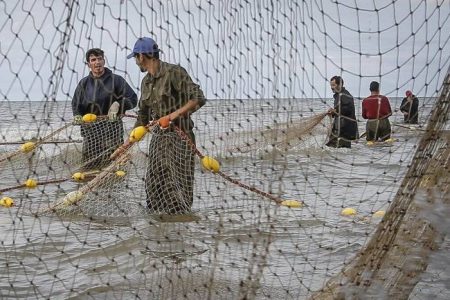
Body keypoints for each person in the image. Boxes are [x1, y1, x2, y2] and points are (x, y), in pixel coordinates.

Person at [126, 37, 206, 214]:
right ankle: (159, 231)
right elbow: (143, 116)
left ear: (141, 56)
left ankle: (180, 227)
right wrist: (127, 144)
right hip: (159, 140)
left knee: (178, 187)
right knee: (154, 185)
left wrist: (171, 116)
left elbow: (198, 98)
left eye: (135, 57)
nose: (136, 61)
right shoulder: (146, 82)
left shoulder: (174, 72)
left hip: (181, 138)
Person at [72, 48, 137, 170]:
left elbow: (133, 99)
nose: (97, 62)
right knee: (89, 168)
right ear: (89, 64)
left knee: (114, 168)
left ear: (104, 61)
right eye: (93, 60)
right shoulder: (83, 83)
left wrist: (119, 104)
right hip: (90, 134)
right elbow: (76, 103)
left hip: (112, 132)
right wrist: (77, 114)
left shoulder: (116, 80)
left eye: (100, 59)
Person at [326, 76, 359, 148]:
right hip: (340, 130)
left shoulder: (345, 95)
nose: (331, 87)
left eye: (333, 85)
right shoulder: (339, 95)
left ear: (340, 85)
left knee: (336, 150)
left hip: (344, 131)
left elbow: (347, 109)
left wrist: (335, 111)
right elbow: (341, 109)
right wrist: (333, 111)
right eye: (331, 85)